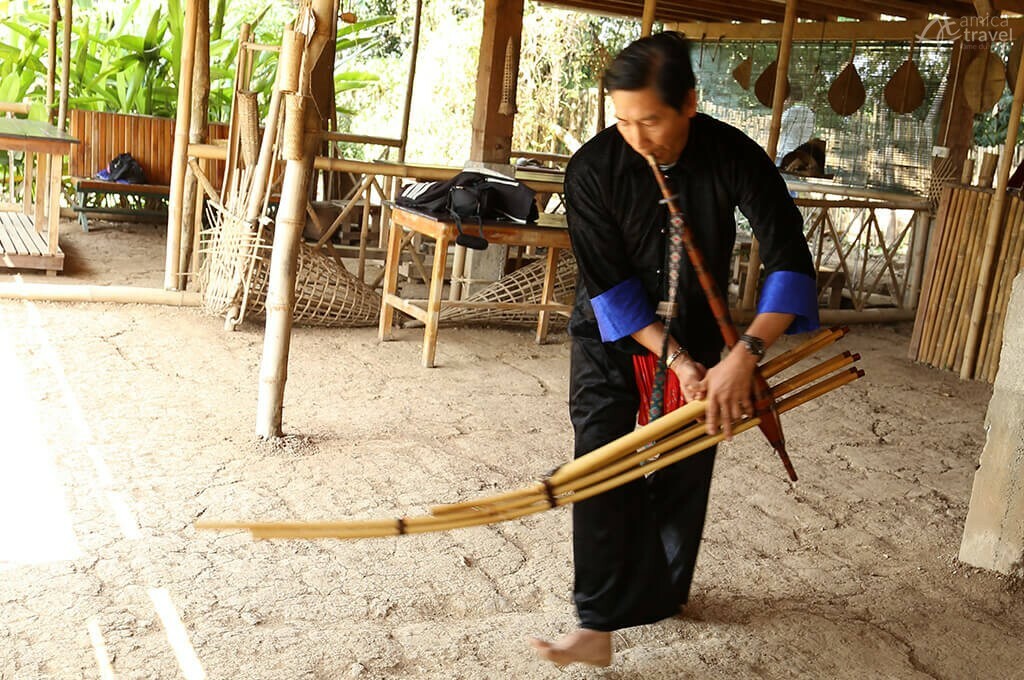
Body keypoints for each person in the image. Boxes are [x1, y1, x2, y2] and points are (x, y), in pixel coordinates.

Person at [529, 32, 820, 668]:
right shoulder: (592, 170)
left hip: (713, 340)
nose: (638, 136)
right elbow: (610, 285)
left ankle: (665, 592)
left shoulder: (733, 154)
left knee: (687, 461)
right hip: (614, 334)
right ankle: (598, 621)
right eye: (623, 120)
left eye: (651, 120)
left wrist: (741, 356)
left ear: (689, 102)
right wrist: (678, 360)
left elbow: (790, 258)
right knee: (600, 463)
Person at [776, 84, 816, 165]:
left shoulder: (790, 112)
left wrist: (782, 108)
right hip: (800, 156)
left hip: (785, 154)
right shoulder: (810, 113)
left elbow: (776, 125)